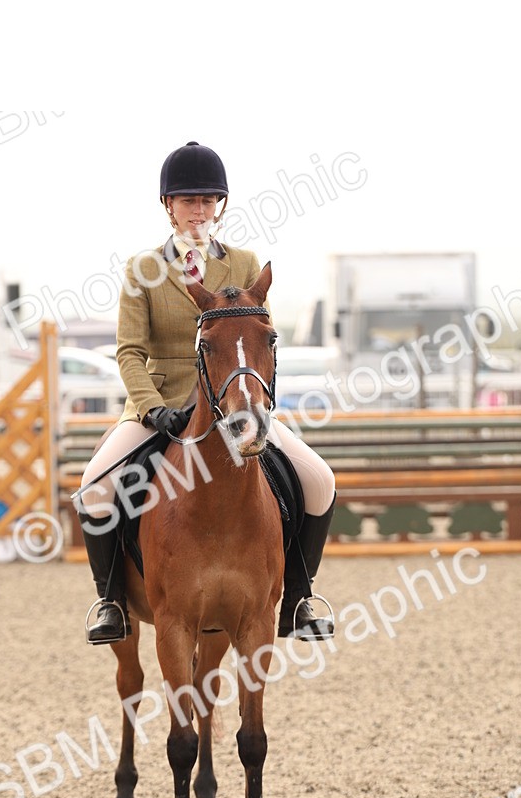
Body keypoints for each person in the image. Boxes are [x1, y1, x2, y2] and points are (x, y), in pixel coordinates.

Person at [76, 141, 336, 645]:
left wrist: (257, 402)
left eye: (207, 200)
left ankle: (300, 600)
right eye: (188, 200)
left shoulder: (243, 263)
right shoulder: (141, 270)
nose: (198, 210)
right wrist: (154, 412)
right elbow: (130, 352)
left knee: (320, 481)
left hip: (237, 404)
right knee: (95, 489)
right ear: (168, 206)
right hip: (161, 407)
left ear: (220, 205)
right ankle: (110, 601)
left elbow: (259, 341)